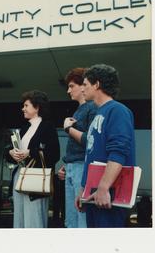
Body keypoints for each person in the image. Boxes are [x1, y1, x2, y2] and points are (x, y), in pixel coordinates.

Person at [75, 64, 136, 228]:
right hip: (93, 195)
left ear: (97, 85)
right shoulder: (98, 114)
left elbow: (119, 151)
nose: (82, 89)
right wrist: (83, 189)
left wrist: (103, 187)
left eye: (86, 84)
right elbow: (91, 156)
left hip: (109, 195)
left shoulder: (118, 110)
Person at [7, 90, 60, 228]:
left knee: (34, 217)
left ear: (37, 107)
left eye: (26, 105)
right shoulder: (24, 129)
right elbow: (13, 153)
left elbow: (54, 154)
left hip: (36, 177)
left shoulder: (48, 127)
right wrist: (11, 152)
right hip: (20, 175)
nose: (22, 109)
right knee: (19, 216)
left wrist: (30, 152)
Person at [58, 68, 97, 228]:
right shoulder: (79, 110)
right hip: (73, 167)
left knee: (81, 219)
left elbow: (92, 141)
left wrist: (68, 129)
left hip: (82, 168)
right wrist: (66, 164)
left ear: (83, 86)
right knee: (71, 220)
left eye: (71, 86)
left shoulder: (92, 107)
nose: (68, 90)